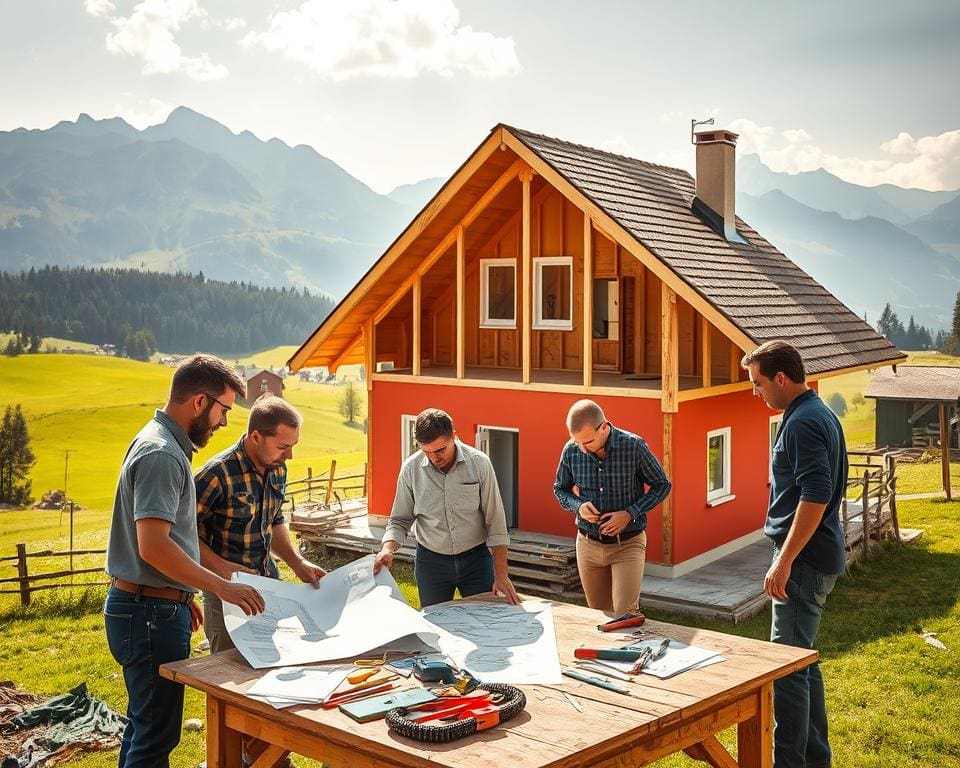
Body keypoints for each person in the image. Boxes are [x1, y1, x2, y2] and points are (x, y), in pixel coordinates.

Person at [104, 354, 265, 768]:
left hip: (152, 604)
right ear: (199, 401)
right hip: (148, 614)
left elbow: (162, 544)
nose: (225, 422)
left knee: (145, 725)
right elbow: (153, 546)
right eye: (224, 410)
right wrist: (221, 585)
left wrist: (180, 591)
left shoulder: (162, 442)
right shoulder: (162, 454)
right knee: (156, 736)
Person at [742, 340, 847, 768]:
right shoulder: (815, 411)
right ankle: (815, 758)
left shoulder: (803, 421)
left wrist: (783, 561)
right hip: (812, 556)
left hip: (802, 562)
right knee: (801, 661)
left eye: (758, 383)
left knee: (785, 668)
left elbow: (817, 493)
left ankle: (789, 763)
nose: (756, 392)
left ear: (780, 378)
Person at [195, 393, 326, 654]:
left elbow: (275, 520)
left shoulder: (278, 468)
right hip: (226, 594)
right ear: (256, 437)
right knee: (229, 675)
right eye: (282, 446)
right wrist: (223, 571)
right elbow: (184, 537)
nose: (289, 455)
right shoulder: (215, 475)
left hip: (269, 587)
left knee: (270, 666)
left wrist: (296, 561)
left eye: (293, 445)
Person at [373, 408, 520, 607]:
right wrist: (388, 549)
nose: (434, 458)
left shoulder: (479, 464)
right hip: (431, 564)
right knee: (436, 627)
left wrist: (501, 574)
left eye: (440, 450)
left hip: (476, 561)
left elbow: (495, 522)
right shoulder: (410, 470)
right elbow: (400, 519)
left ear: (454, 436)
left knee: (488, 622)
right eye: (426, 451)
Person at [553, 399, 671, 617]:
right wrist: (578, 507)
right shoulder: (571, 451)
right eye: (576, 442)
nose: (582, 448)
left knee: (626, 616)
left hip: (627, 545)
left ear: (604, 427)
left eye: (587, 442)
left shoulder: (633, 446)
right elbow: (560, 489)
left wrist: (629, 513)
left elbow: (662, 485)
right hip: (587, 545)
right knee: (599, 617)